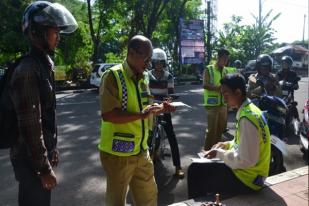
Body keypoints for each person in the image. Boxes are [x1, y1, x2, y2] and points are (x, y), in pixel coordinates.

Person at [8, 1, 77, 206]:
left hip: (38, 158)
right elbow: (31, 126)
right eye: (55, 32)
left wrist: (52, 148)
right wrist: (43, 169)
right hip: (30, 162)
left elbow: (47, 114)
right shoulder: (28, 69)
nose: (58, 38)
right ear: (38, 33)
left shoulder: (43, 64)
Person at [98, 35, 175, 206]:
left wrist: (160, 108)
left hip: (142, 151)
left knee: (148, 198)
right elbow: (109, 114)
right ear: (131, 53)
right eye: (146, 59)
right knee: (116, 201)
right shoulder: (112, 77)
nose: (148, 64)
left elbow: (145, 107)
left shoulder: (144, 77)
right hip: (118, 155)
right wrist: (141, 114)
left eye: (150, 59)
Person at [188, 73, 271, 198]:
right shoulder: (250, 110)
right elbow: (242, 143)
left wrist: (219, 153)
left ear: (237, 92)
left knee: (195, 170)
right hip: (254, 175)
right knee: (203, 167)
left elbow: (245, 160)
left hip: (248, 179)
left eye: (226, 94)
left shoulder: (246, 119)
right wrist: (226, 144)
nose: (224, 98)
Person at [147, 48, 184, 178]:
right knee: (146, 136)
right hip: (151, 108)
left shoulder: (168, 76)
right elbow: (146, 93)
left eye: (161, 62)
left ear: (164, 63)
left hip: (164, 107)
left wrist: (168, 101)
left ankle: (178, 167)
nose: (158, 65)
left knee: (172, 136)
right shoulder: (147, 75)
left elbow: (171, 93)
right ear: (152, 62)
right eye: (156, 62)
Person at [203, 48, 233, 150]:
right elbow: (205, 85)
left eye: (227, 59)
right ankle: (206, 153)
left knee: (220, 131)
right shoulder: (209, 69)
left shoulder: (226, 70)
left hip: (223, 105)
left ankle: (215, 152)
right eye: (224, 58)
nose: (226, 61)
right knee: (211, 131)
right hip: (212, 105)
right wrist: (219, 88)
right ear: (218, 57)